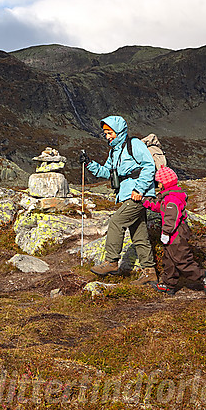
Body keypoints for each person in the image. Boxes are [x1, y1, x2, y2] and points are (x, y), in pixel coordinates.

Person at [79, 116, 157, 286]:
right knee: (139, 234)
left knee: (116, 222)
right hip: (129, 193)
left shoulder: (134, 144)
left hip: (138, 194)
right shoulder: (114, 151)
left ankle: (111, 262)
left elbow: (149, 165)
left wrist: (139, 189)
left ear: (119, 131)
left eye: (110, 132)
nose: (107, 136)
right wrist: (89, 164)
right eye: (105, 133)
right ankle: (149, 272)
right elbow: (107, 172)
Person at [142, 166, 206, 295]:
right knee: (169, 259)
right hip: (173, 233)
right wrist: (145, 202)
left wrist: (166, 233)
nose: (157, 185)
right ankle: (168, 284)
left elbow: (171, 217)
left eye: (159, 182)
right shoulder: (169, 196)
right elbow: (159, 207)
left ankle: (203, 275)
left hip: (176, 234)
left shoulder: (172, 198)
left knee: (182, 260)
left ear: (164, 183)